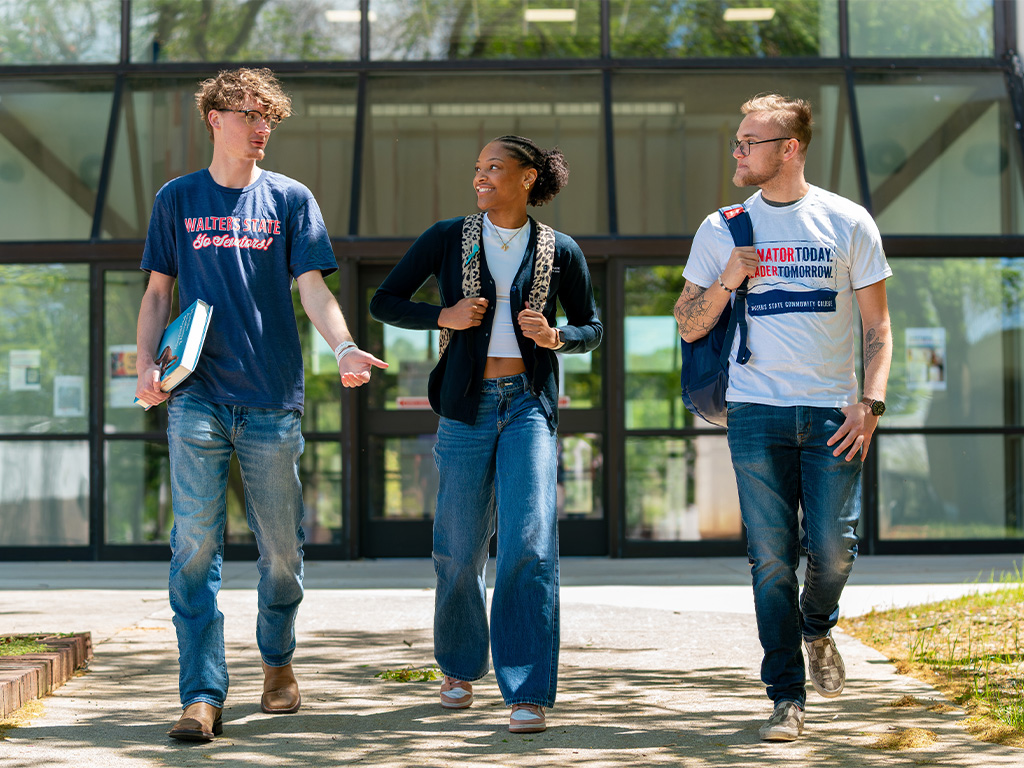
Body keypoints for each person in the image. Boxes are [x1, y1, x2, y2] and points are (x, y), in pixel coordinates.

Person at [135, 67, 387, 742]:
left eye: (269, 116)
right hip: (196, 397)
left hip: (273, 400)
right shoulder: (178, 199)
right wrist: (143, 363)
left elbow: (315, 290)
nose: (262, 126)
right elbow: (159, 292)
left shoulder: (289, 199)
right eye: (250, 113)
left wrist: (344, 348)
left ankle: (278, 661)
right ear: (215, 117)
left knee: (281, 550)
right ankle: (201, 694)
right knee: (193, 547)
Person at [674, 94, 892, 742]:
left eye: (750, 141)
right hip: (754, 412)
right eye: (738, 141)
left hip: (833, 414)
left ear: (789, 148)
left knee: (832, 551)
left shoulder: (847, 222)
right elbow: (686, 323)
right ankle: (785, 697)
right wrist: (726, 282)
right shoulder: (723, 228)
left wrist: (871, 403)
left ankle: (818, 626)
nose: (737, 152)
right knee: (770, 559)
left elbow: (878, 327)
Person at [370, 135, 602, 734]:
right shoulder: (448, 237)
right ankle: (459, 665)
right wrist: (440, 315)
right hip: (465, 409)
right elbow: (385, 300)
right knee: (458, 545)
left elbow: (592, 326)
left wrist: (558, 338)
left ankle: (527, 691)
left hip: (527, 403)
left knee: (529, 543)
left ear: (528, 179)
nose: (481, 176)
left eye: (494, 168)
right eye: (477, 168)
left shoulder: (560, 249)